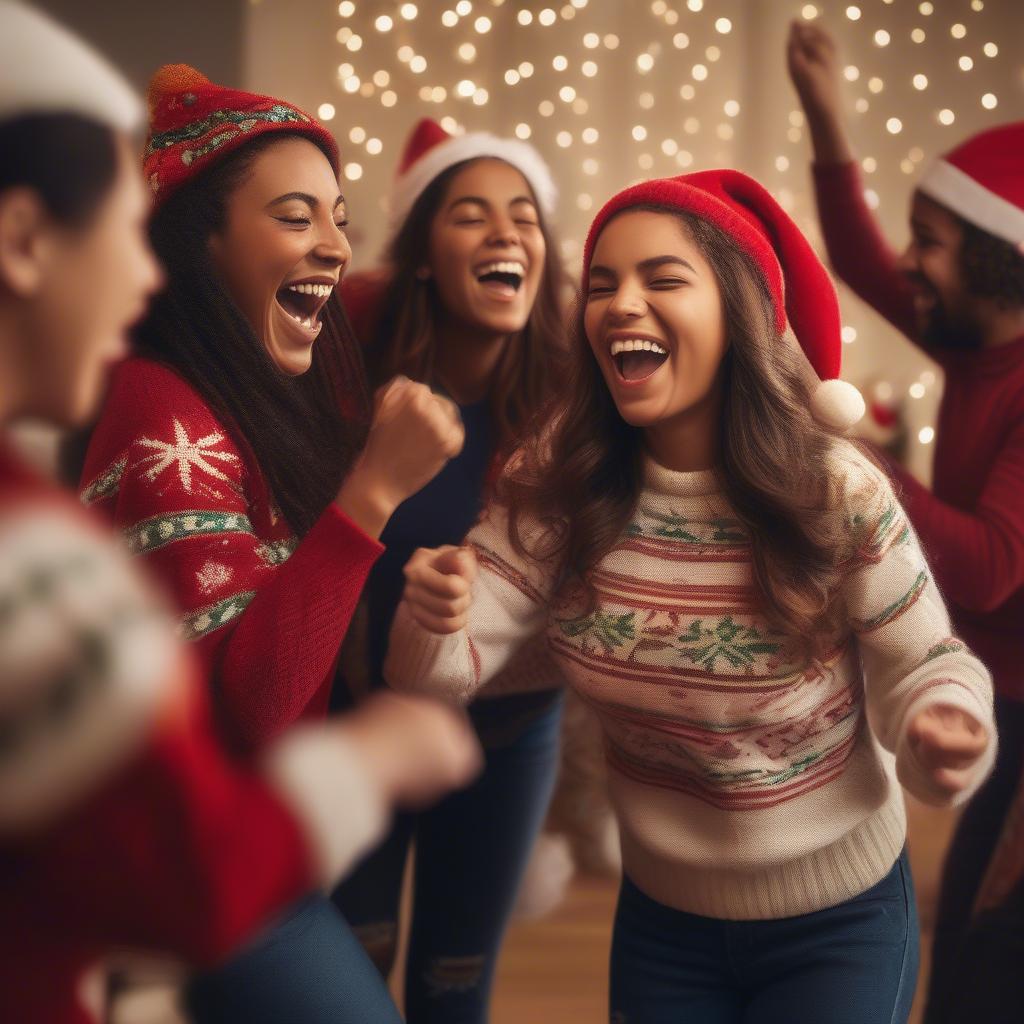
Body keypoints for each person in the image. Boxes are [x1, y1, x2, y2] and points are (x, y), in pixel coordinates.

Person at [384, 168, 997, 1023]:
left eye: (661, 279)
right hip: (664, 923)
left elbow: (925, 658)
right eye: (602, 285)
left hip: (841, 917)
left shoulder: (835, 490)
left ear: (738, 313)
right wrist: (433, 615)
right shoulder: (555, 485)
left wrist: (944, 720)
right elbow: (436, 675)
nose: (620, 304)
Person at [0, 4, 479, 1023]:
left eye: (339, 216)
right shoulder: (157, 415)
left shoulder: (254, 388)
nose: (336, 247)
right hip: (223, 867)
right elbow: (242, 717)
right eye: (297, 215)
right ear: (195, 243)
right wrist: (371, 498)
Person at [786, 20, 1024, 1023]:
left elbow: (987, 567)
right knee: (969, 943)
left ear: (996, 261)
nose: (910, 264)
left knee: (982, 960)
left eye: (931, 242)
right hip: (1003, 697)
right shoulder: (972, 340)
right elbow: (856, 256)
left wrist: (855, 464)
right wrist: (825, 114)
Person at [329, 117, 568, 1023]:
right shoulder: (348, 380)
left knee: (454, 982)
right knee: (352, 971)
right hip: (359, 729)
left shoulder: (573, 403)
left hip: (505, 737)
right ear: (423, 253)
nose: (506, 233)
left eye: (525, 217)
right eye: (471, 214)